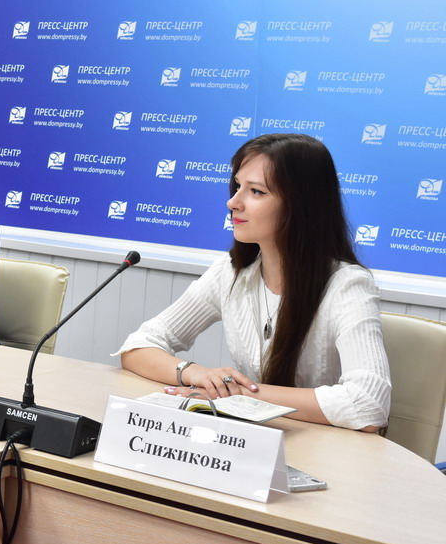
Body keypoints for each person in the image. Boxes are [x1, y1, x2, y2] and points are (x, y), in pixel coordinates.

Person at [117, 134, 390, 431]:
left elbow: (369, 405)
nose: (233, 202)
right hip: (255, 438)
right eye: (237, 186)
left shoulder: (347, 286)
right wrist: (193, 373)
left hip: (326, 446)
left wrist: (239, 393)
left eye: (256, 191)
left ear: (301, 205)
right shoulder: (230, 272)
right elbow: (137, 346)